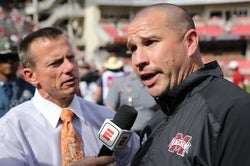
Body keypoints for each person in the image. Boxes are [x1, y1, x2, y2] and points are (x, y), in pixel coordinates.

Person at [126, 3, 250, 166]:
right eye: (133, 48)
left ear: (190, 42)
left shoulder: (234, 110)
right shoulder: (156, 120)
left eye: (150, 42)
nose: (138, 60)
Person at [0, 27, 139, 165]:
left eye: (71, 58)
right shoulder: (11, 130)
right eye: (56, 63)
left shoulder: (107, 119)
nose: (69, 67)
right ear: (31, 76)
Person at [105, 70, 160, 135]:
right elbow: (109, 109)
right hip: (127, 135)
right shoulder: (120, 82)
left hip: (152, 134)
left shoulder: (159, 83)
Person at [0, 36, 35, 117]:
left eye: (13, 58)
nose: (9, 62)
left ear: (19, 60)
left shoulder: (31, 90)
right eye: (4, 59)